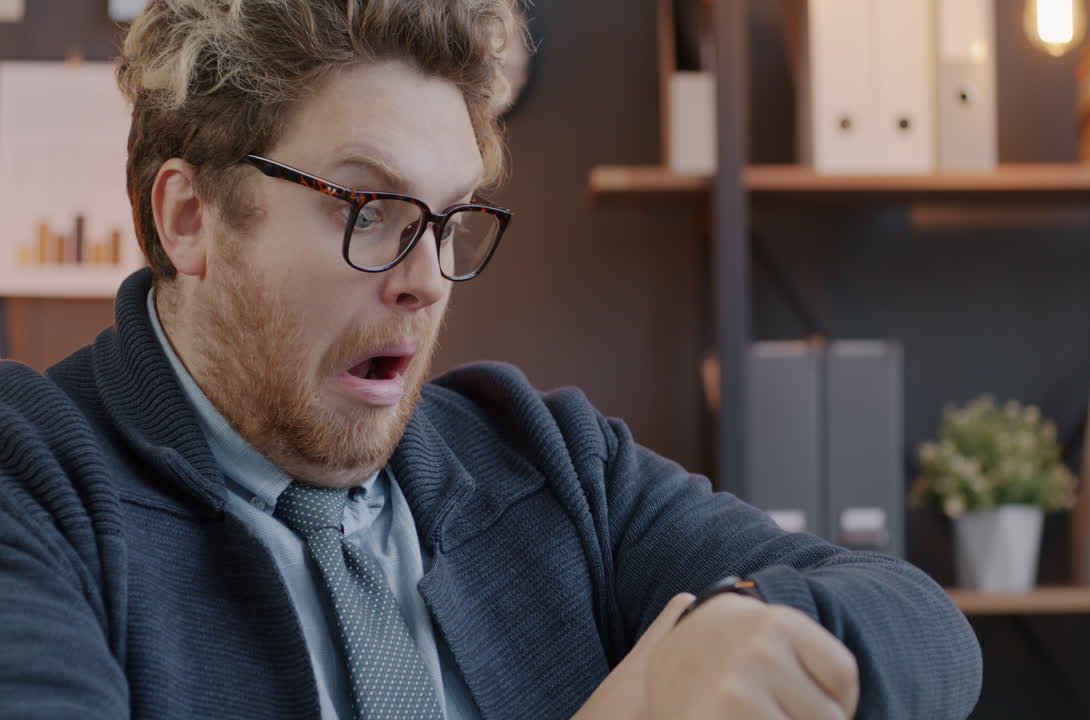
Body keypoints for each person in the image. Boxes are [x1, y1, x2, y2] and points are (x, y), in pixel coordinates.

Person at [0, 1, 982, 718]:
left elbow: (922, 626)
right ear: (190, 220)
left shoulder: (546, 457)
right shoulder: (31, 484)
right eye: (368, 209)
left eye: (449, 220)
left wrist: (739, 623)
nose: (426, 280)